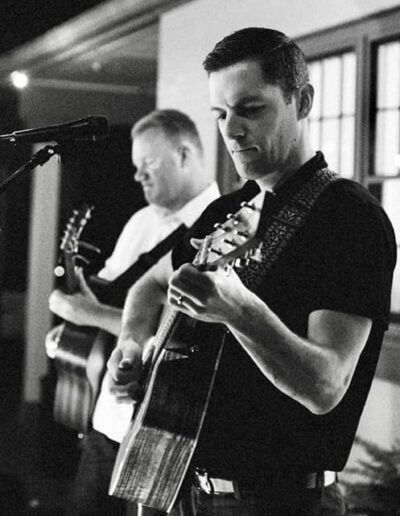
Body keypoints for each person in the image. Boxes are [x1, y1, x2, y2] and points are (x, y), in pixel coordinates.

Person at [107, 28, 397, 516]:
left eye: (251, 109)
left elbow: (326, 386)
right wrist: (132, 345)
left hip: (279, 500)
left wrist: (239, 311)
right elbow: (151, 283)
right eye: (220, 114)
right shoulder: (226, 210)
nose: (231, 130)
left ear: (302, 101)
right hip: (182, 483)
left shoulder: (349, 217)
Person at [45, 108, 220, 516]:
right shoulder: (141, 221)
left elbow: (181, 331)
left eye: (148, 163)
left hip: (161, 427)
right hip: (106, 417)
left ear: (183, 155)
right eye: (136, 165)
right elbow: (106, 297)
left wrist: (86, 314)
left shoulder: (217, 229)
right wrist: (75, 322)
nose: (138, 175)